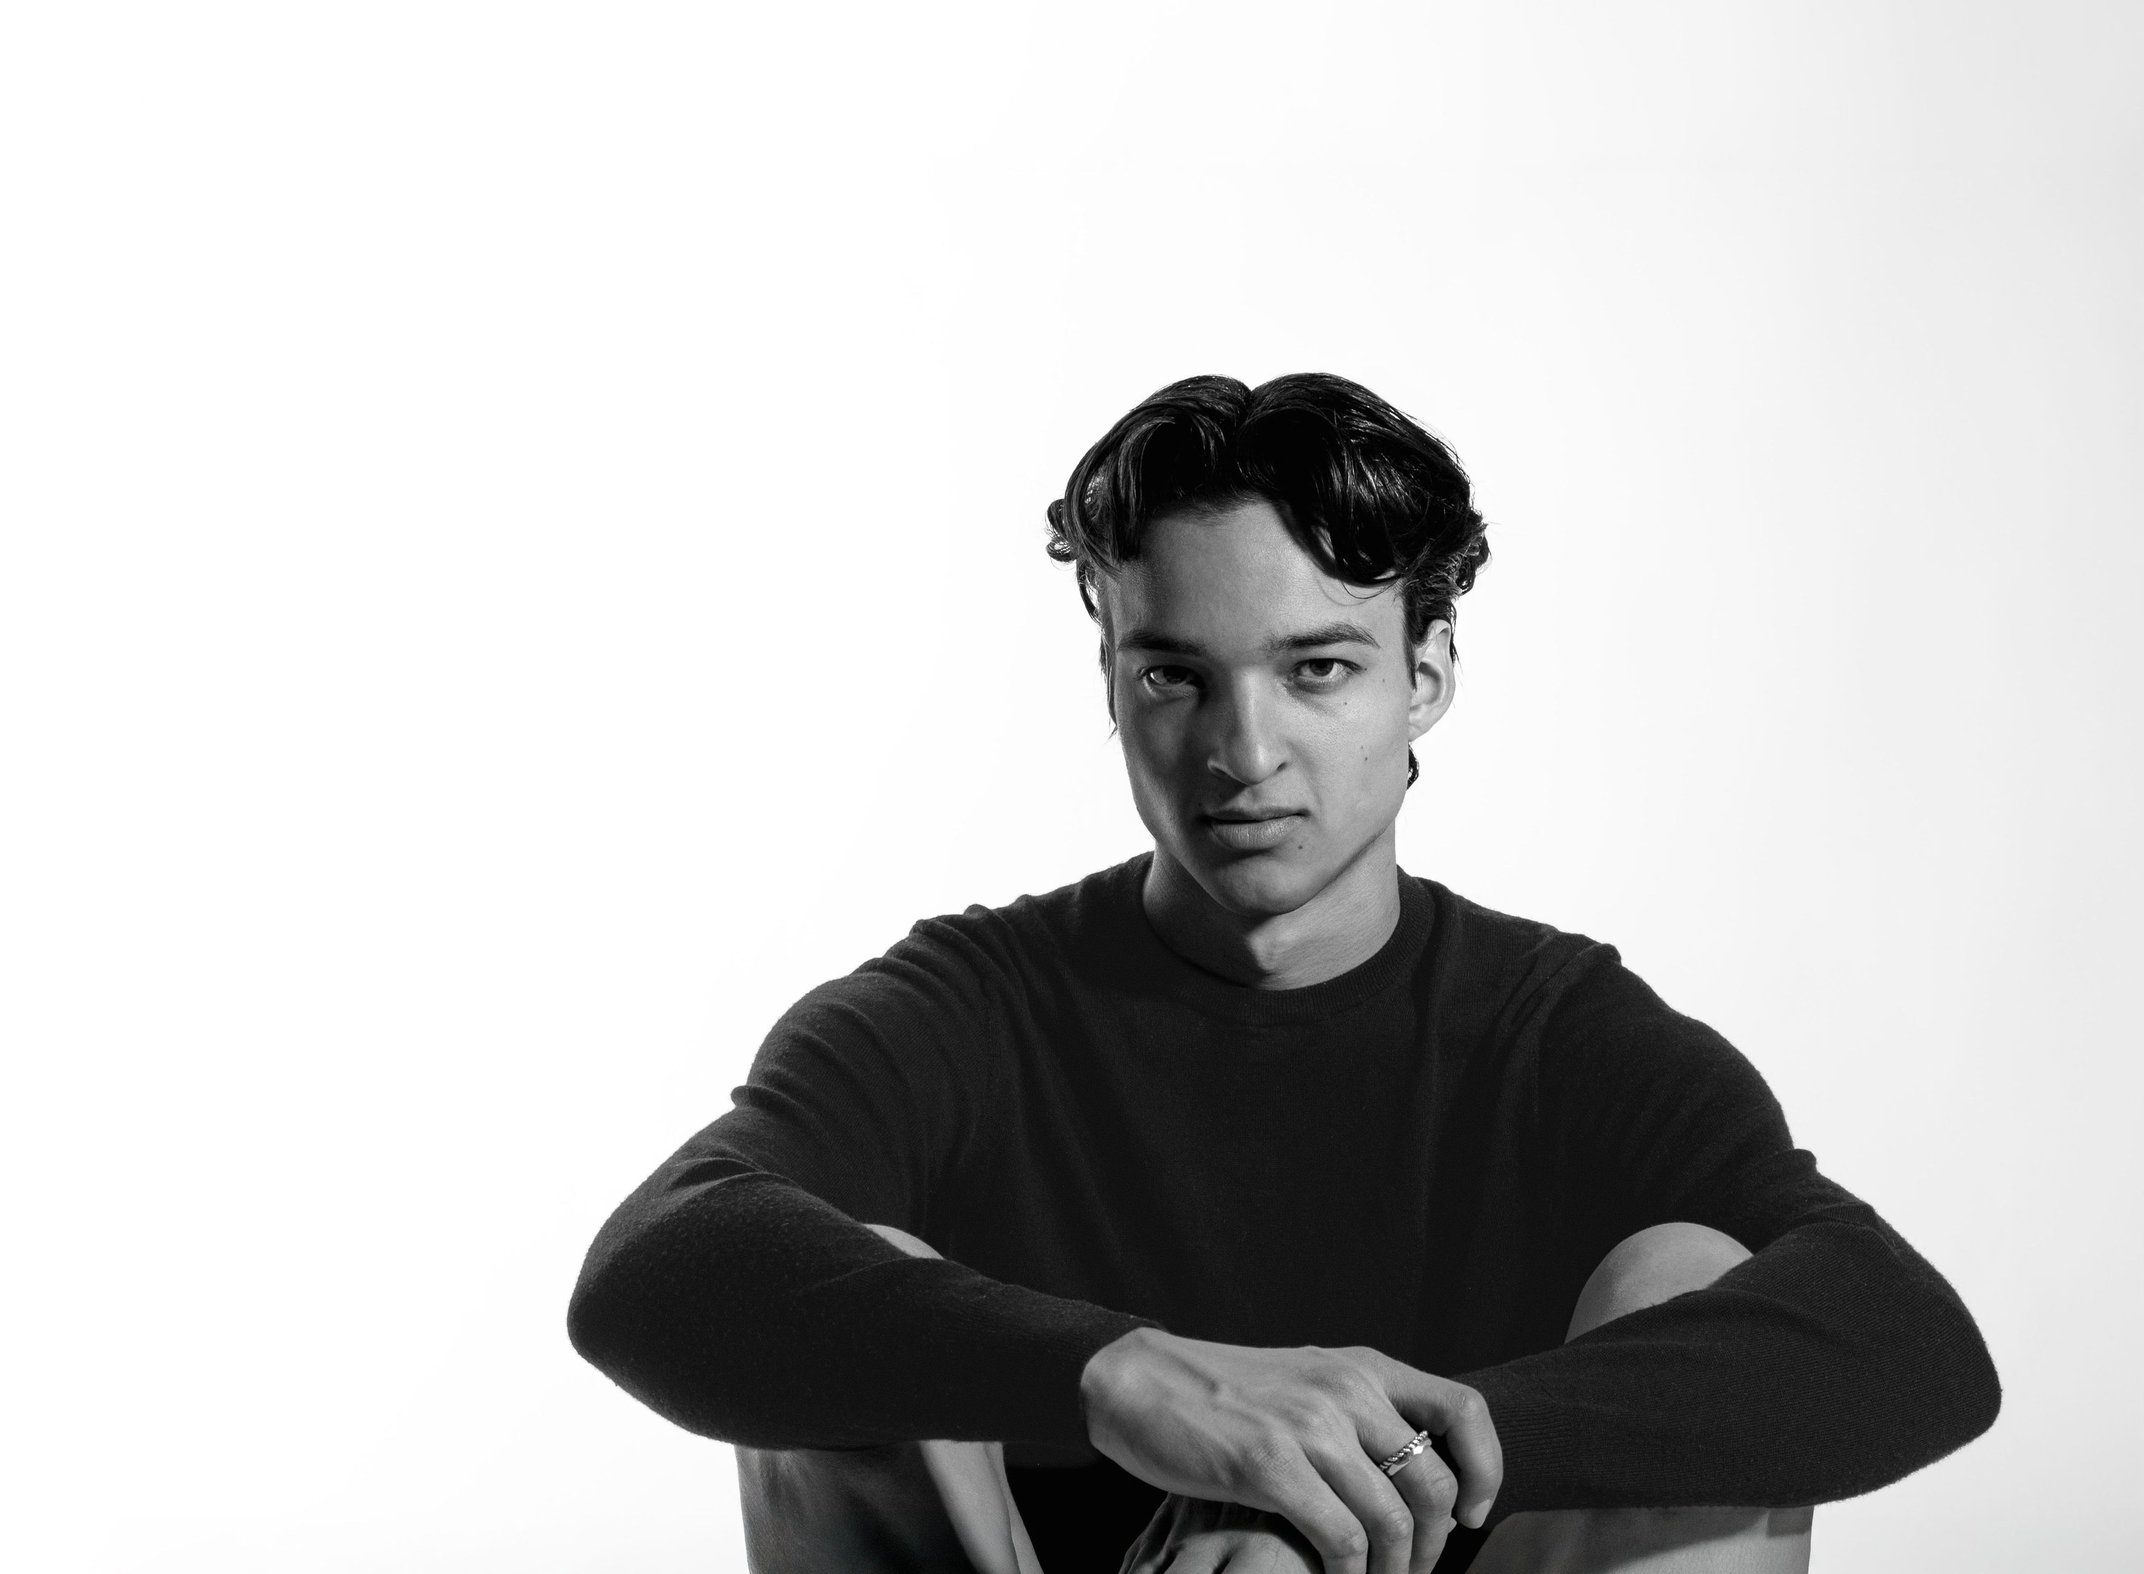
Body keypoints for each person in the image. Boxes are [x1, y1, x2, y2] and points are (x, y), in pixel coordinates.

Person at [566, 373, 1999, 1574]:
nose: (1241, 753)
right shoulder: (971, 1003)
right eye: (1174, 676)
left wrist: (1373, 1464)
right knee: (845, 1278)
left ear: (1426, 670)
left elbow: (1906, 1339)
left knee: (1691, 1275)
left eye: (1315, 670)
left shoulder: (1554, 1029)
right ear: (1113, 681)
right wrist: (1124, 1372)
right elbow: (654, 1264)